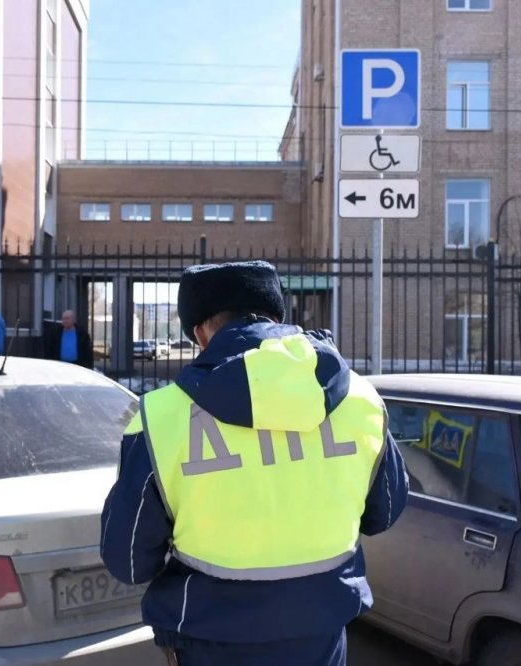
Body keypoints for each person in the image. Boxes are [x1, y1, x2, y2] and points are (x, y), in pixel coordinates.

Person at [100, 261, 409, 666]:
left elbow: (128, 561)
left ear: (200, 332)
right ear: (276, 317)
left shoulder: (160, 418)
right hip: (321, 635)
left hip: (209, 640)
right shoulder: (362, 401)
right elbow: (384, 512)